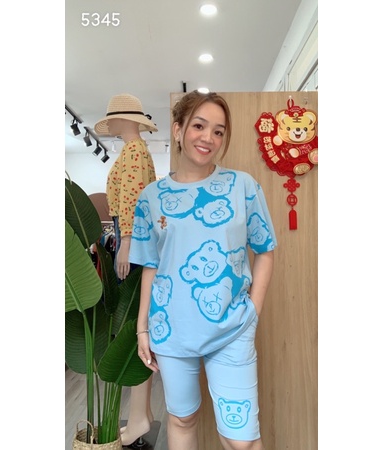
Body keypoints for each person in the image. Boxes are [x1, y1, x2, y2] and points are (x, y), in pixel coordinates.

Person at [129, 90, 277, 450]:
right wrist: (142, 327)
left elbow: (265, 250)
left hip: (232, 329)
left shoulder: (243, 186)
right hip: (170, 329)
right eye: (199, 126)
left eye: (218, 131)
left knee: (241, 440)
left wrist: (252, 312)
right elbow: (151, 265)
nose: (208, 137)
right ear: (178, 129)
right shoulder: (150, 198)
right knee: (182, 419)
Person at [94, 93, 157, 446]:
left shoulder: (134, 151)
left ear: (126, 120)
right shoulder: (135, 150)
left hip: (131, 237)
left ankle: (139, 418)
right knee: (136, 325)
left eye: (114, 118)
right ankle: (141, 415)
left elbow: (133, 199)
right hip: (130, 235)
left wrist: (127, 242)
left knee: (134, 325)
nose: (112, 124)